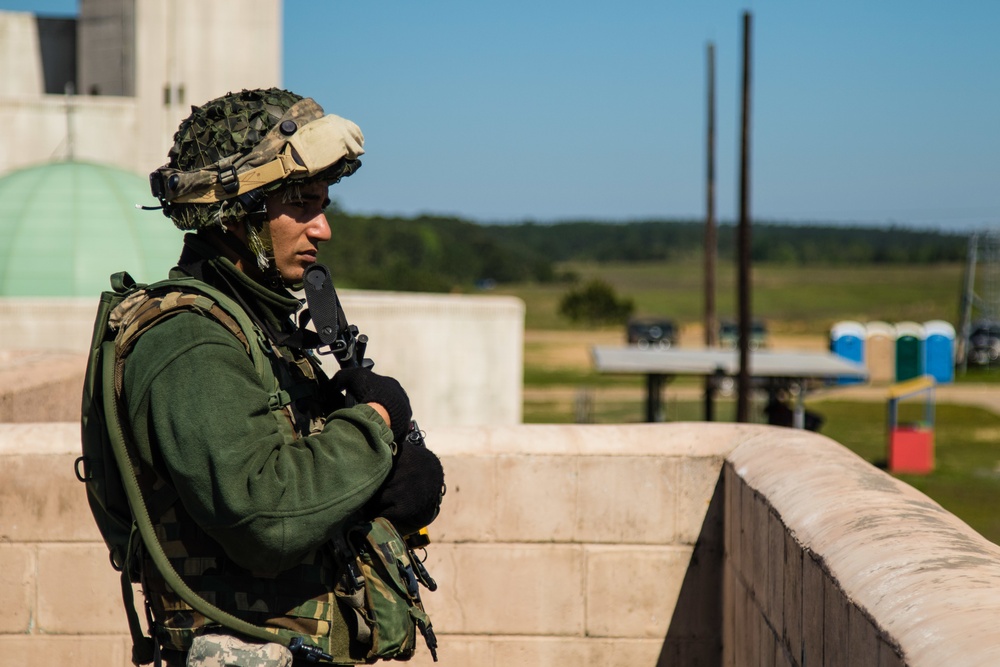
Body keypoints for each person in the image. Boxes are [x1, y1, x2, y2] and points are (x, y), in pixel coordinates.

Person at [116, 88, 444, 665]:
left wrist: (389, 483)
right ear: (237, 211)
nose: (322, 229)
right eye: (300, 205)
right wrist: (377, 425)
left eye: (324, 205)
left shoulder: (254, 328)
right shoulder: (190, 342)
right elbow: (265, 516)